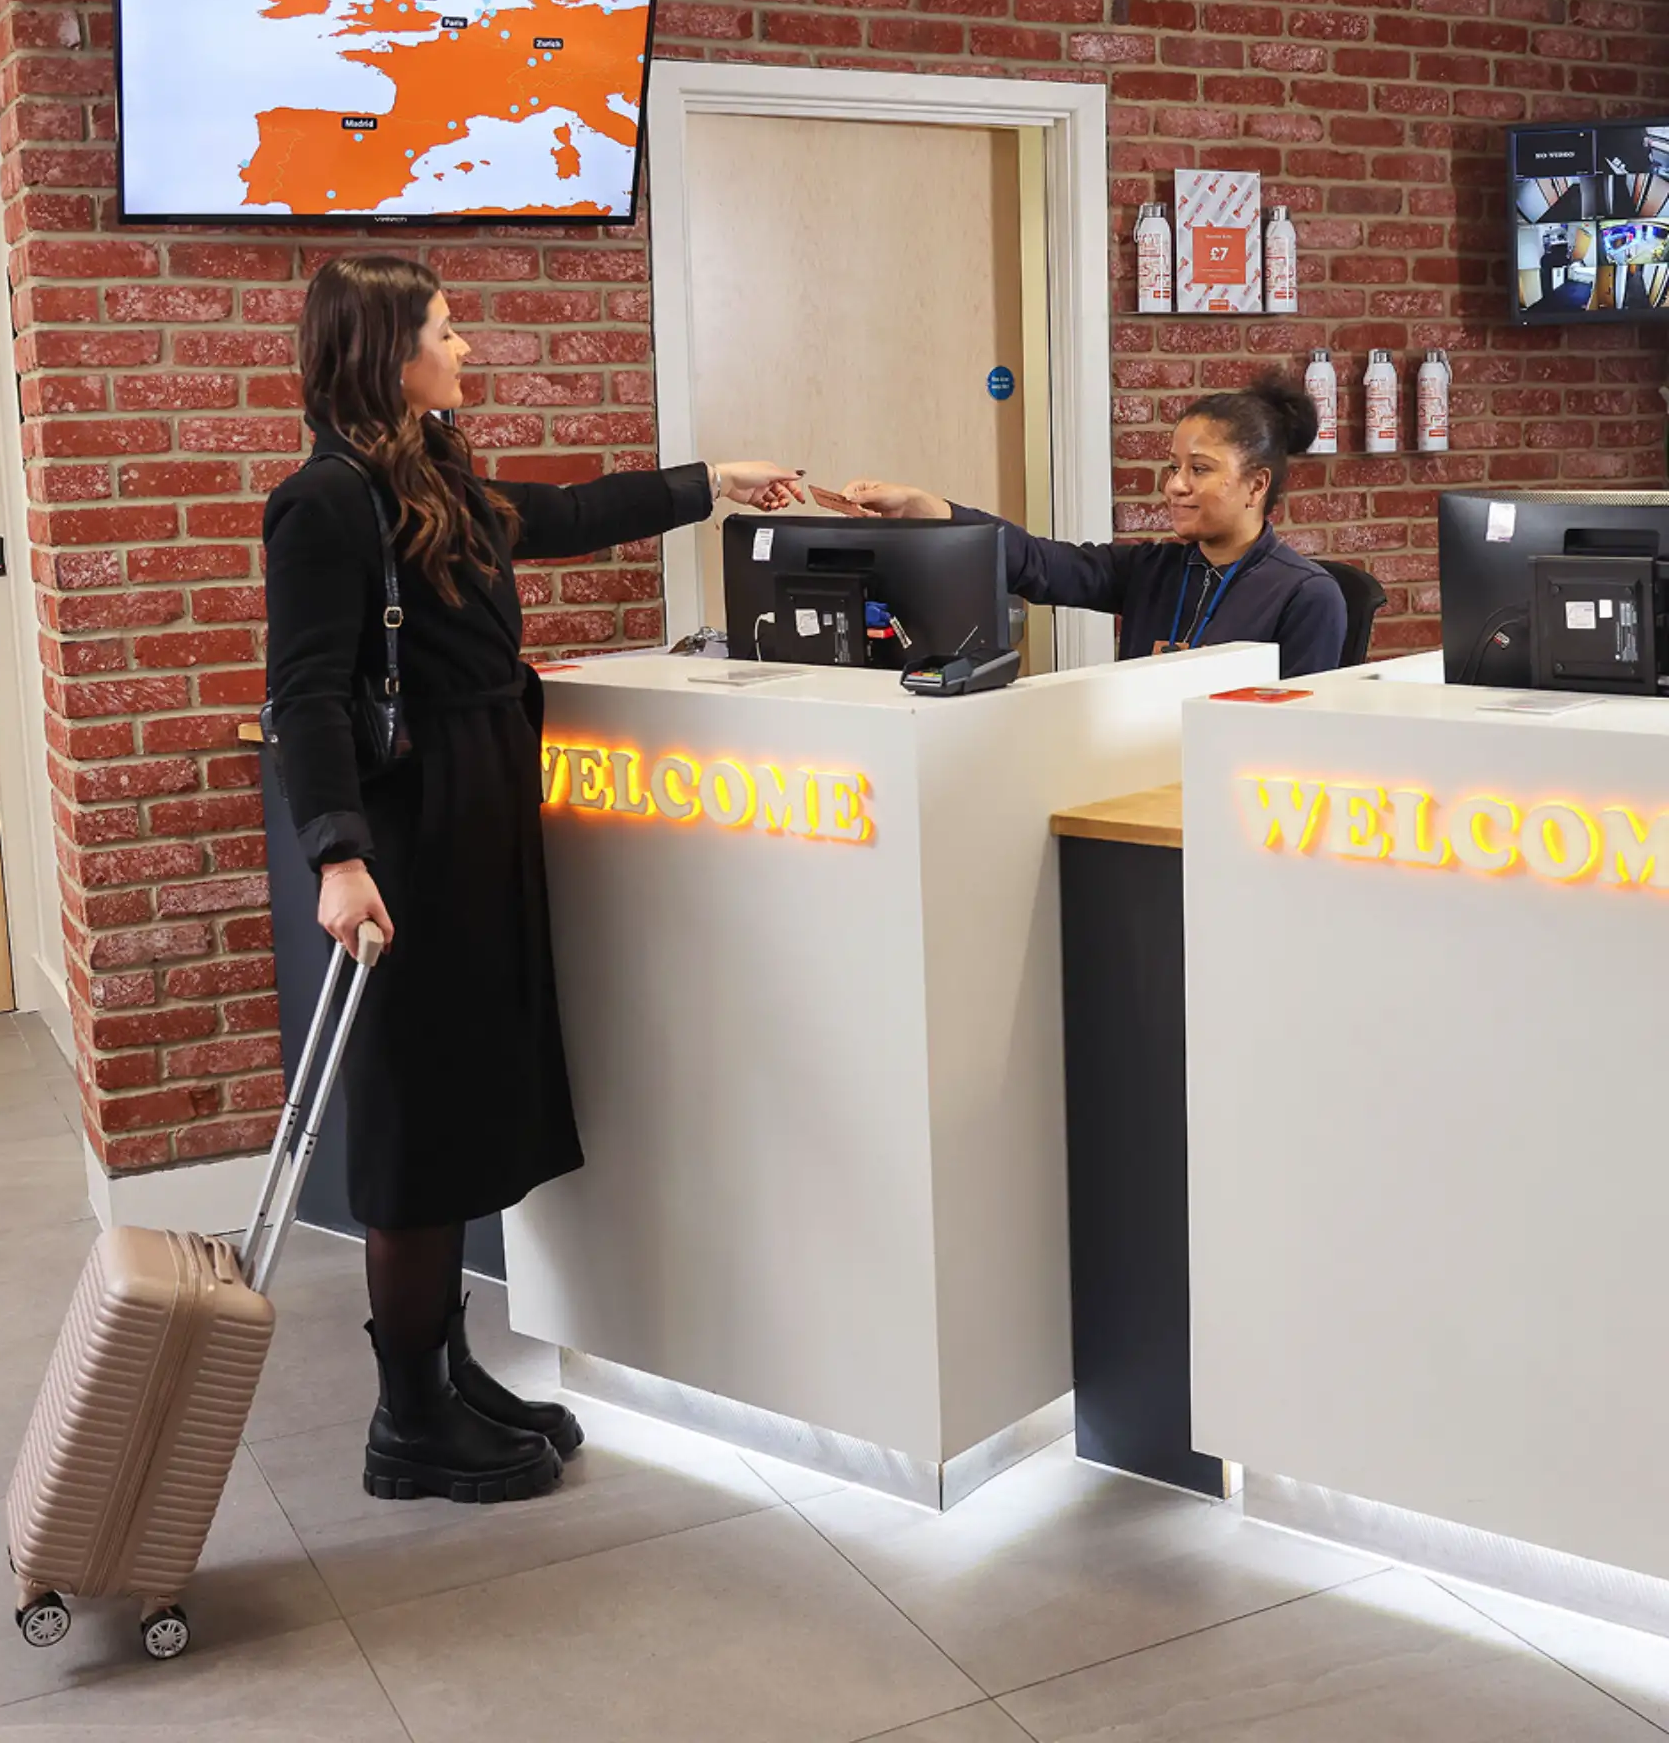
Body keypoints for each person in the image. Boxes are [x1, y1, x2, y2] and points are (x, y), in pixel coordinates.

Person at [263, 254, 801, 1506]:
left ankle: (445, 1373)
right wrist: (339, 858)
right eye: (447, 332)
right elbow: (303, 695)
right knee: (413, 1126)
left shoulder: (428, 472)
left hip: (477, 825)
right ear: (389, 350)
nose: (467, 351)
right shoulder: (325, 501)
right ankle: (406, 1418)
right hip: (408, 844)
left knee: (460, 1106)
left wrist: (708, 484)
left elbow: (553, 518)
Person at [844, 372, 1348, 677]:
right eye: (1174, 467)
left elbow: (1295, 745)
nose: (1175, 485)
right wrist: (923, 507)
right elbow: (1036, 562)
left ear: (1257, 486)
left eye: (1200, 469)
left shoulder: (1306, 595)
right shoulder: (1152, 570)